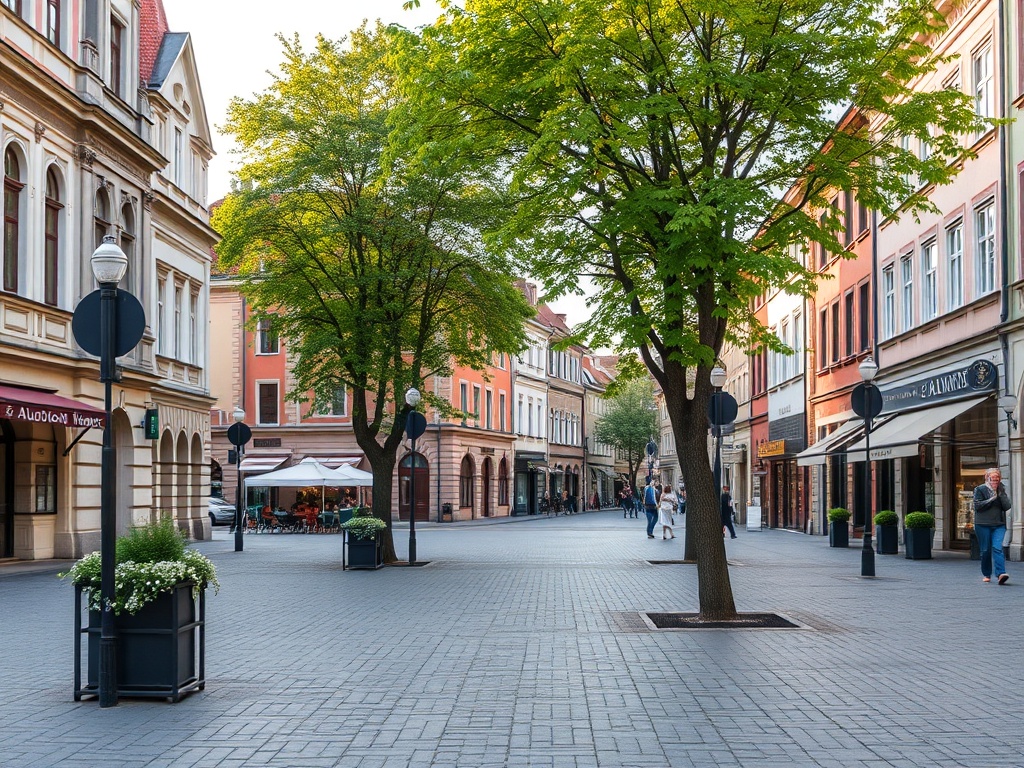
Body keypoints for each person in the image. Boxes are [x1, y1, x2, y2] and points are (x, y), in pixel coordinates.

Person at [973, 467, 1011, 584]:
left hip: (998, 524)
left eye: (997, 479)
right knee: (985, 550)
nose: (995, 481)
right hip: (982, 524)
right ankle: (987, 573)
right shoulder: (979, 489)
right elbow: (978, 506)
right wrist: (991, 499)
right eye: (992, 479)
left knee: (997, 547)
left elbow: (1007, 506)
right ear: (987, 478)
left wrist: (1000, 494)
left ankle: (1001, 574)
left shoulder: (1001, 489)